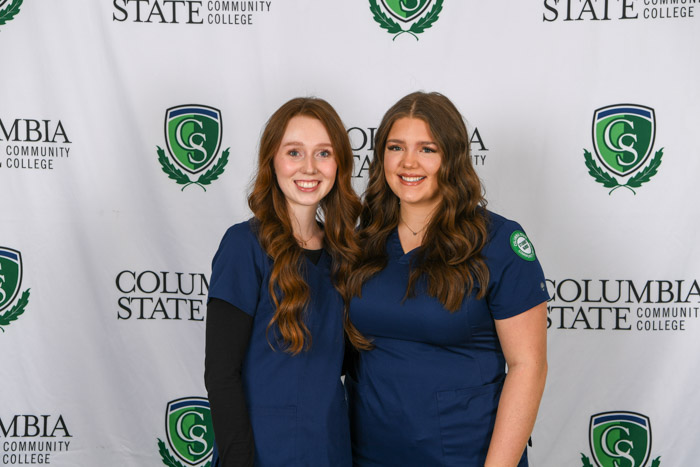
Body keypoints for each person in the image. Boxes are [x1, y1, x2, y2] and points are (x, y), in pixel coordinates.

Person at [345, 92, 549, 466]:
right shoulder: (362, 241)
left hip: (465, 456)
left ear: (452, 157)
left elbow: (528, 366)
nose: (409, 162)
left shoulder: (499, 242)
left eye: (427, 149)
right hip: (369, 455)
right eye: (396, 147)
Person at [204, 97, 361, 467]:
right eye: (294, 152)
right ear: (272, 160)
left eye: (323, 153)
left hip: (330, 450)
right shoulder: (244, 246)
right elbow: (221, 373)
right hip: (263, 453)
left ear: (339, 164)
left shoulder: (346, 253)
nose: (309, 167)